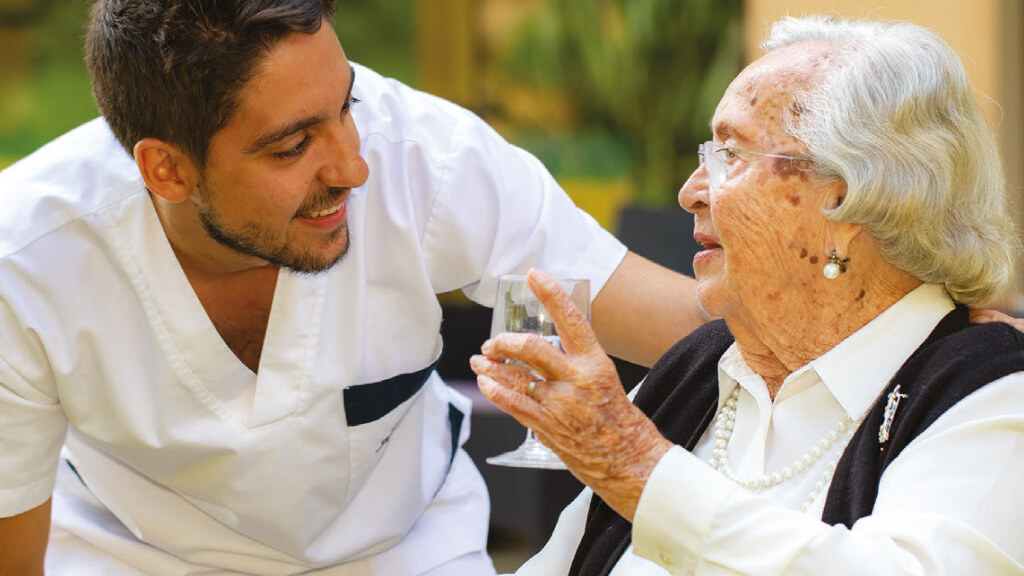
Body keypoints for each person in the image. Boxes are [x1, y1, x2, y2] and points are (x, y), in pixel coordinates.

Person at [0, 1, 709, 574]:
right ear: (166, 171)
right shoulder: (25, 258)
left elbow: (689, 330)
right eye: (292, 146)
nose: (353, 166)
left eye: (348, 106)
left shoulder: (430, 160)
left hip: (404, 548)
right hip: (128, 554)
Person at [472, 15, 1024, 575]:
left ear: (849, 199)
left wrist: (633, 465)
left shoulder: (993, 394)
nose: (691, 193)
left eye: (730, 155)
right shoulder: (697, 372)